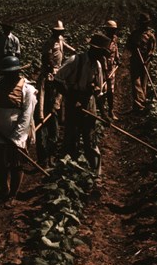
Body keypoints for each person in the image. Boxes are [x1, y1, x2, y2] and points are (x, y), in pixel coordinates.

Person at [0, 56, 37, 198]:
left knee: (16, 164)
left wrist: (17, 138)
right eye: (5, 72)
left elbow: (26, 115)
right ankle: (4, 189)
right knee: (0, 164)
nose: (8, 75)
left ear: (17, 72)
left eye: (11, 72)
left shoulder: (27, 89)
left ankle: (13, 193)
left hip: (16, 132)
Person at [55, 33, 110, 174]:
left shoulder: (97, 65)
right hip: (73, 101)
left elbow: (99, 93)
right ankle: (66, 171)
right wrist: (71, 98)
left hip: (89, 102)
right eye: (102, 52)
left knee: (90, 138)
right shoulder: (75, 60)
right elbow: (57, 80)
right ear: (94, 49)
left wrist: (104, 114)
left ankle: (95, 172)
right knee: (70, 137)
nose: (103, 55)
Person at [36, 20, 67, 167]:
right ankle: (43, 160)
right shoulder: (48, 43)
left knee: (54, 131)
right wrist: (41, 114)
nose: (58, 33)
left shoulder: (60, 41)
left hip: (53, 107)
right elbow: (41, 95)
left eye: (60, 32)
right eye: (56, 31)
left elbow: (61, 93)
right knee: (43, 131)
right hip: (44, 109)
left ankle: (51, 157)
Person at [126, 13, 156, 112]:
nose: (143, 25)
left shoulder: (150, 35)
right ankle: (139, 104)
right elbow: (128, 45)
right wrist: (133, 46)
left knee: (143, 82)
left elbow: (152, 50)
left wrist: (147, 59)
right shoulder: (134, 34)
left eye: (145, 23)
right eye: (142, 23)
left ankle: (141, 105)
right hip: (135, 59)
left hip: (145, 61)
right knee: (135, 82)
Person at [101, 20, 120, 119]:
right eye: (111, 30)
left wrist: (117, 58)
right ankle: (102, 111)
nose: (113, 32)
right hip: (103, 68)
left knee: (111, 91)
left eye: (114, 30)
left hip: (112, 67)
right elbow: (101, 55)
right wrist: (104, 69)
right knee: (103, 90)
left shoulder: (115, 39)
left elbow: (116, 49)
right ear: (107, 30)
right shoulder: (103, 40)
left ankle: (110, 111)